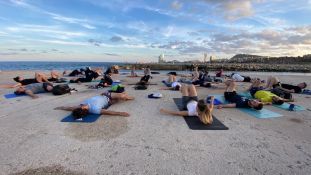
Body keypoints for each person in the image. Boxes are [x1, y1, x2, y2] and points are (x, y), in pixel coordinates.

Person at [54, 92, 134, 120]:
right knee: (123, 96)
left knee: (122, 95)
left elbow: (69, 108)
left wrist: (61, 107)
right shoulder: (95, 110)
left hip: (103, 94)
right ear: (83, 109)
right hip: (108, 98)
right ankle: (127, 97)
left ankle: (123, 96)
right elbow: (108, 112)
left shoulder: (80, 107)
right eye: (81, 106)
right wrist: (121, 113)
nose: (80, 105)